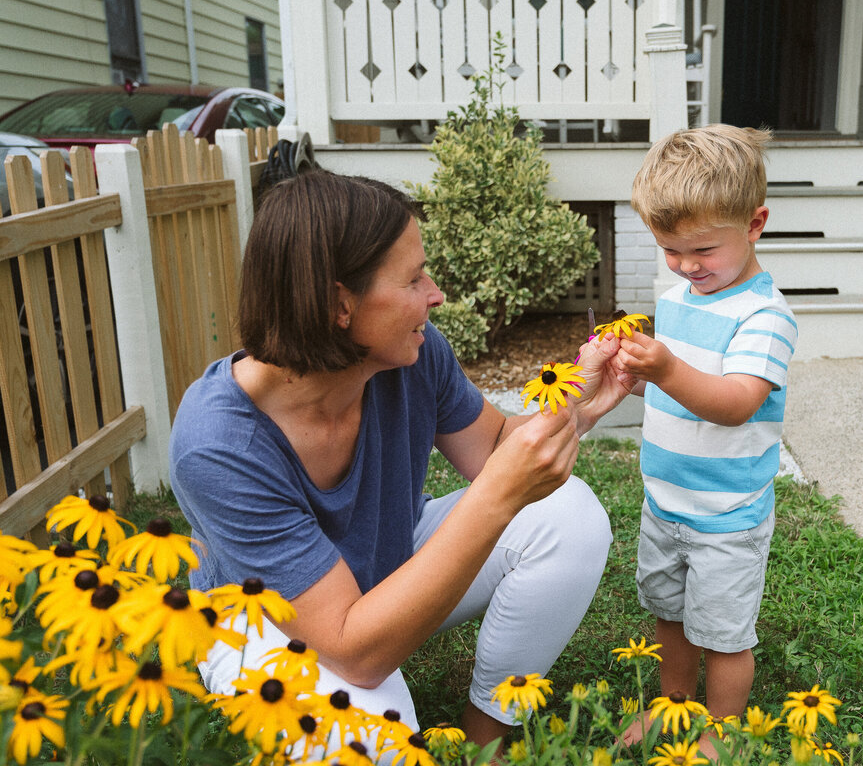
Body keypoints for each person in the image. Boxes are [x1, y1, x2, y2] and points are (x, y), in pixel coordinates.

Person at [168, 170, 632, 753]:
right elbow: (353, 650)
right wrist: (495, 498)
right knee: (370, 743)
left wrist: (577, 402)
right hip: (271, 621)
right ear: (341, 303)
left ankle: (484, 740)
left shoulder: (412, 353)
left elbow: (494, 451)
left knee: (569, 515)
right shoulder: (218, 446)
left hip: (384, 560)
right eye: (414, 279)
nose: (435, 294)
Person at [613, 125, 799, 750]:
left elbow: (735, 403)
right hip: (664, 500)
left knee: (723, 634)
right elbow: (680, 389)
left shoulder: (764, 317)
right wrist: (640, 377)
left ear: (754, 223)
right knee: (670, 615)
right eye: (670, 250)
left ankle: (722, 727)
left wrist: (664, 366)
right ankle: (674, 706)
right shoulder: (679, 297)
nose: (687, 266)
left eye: (701, 250)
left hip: (727, 514)